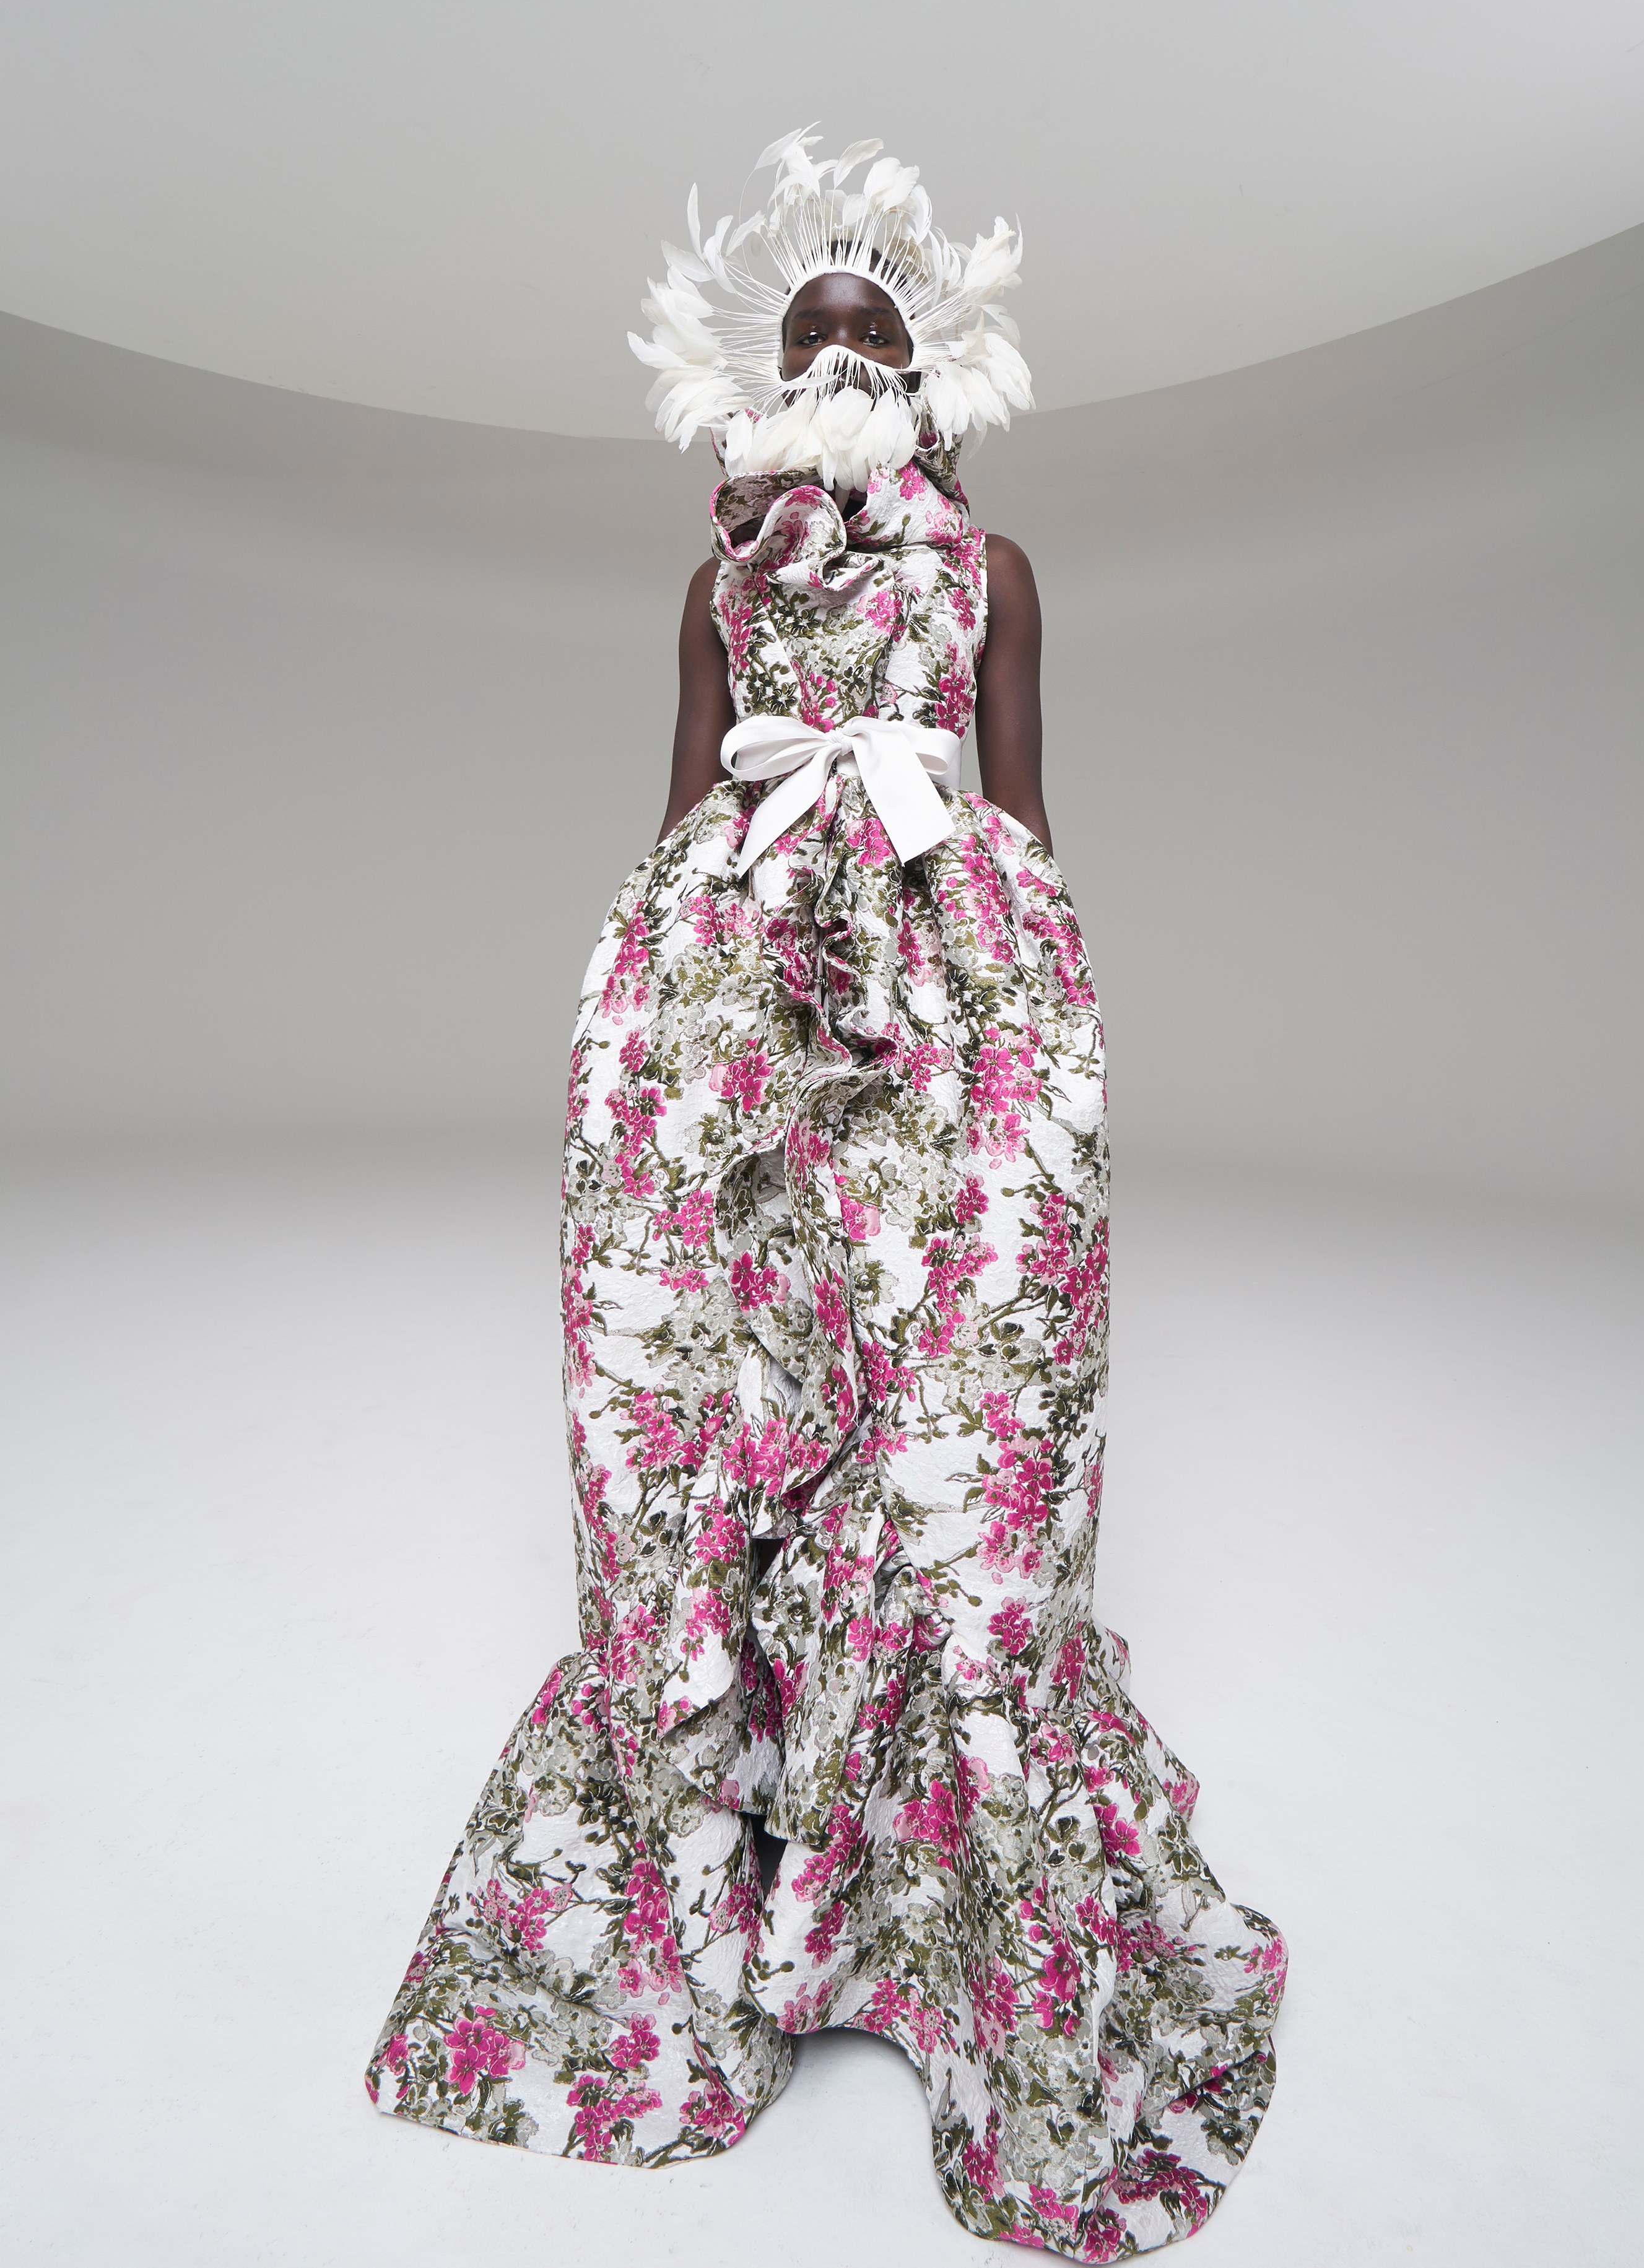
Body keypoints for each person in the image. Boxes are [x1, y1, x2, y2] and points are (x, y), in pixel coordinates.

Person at [366, 130, 1284, 2257]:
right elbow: (681, 810)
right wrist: (637, 1024)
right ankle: (729, 1874)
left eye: (872, 337)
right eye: (809, 341)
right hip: (736, 990)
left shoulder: (995, 572)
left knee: (952, 1412)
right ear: (759, 382)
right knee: (717, 1392)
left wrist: (1036, 1045)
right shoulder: (716, 580)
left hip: (943, 982)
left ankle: (933, 1908)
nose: (841, 363)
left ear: (933, 372)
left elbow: (1019, 816)